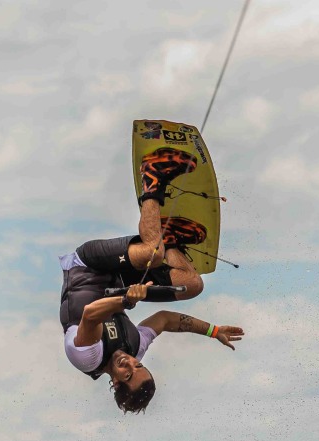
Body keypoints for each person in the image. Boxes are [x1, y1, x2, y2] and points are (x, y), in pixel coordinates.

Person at [59, 147, 245, 413]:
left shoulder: (88, 357)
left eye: (127, 373)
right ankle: (169, 240)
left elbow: (90, 315)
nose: (130, 363)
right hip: (121, 277)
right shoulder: (135, 348)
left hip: (88, 267)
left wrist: (125, 300)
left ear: (115, 383)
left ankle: (153, 175)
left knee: (153, 253)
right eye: (138, 366)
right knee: (192, 285)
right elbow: (165, 320)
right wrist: (213, 331)